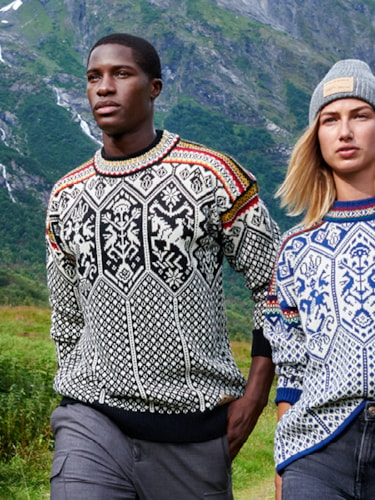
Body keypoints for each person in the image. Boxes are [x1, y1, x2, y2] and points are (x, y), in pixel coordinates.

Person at [46, 33, 280, 499]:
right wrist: (77, 388)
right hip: (91, 422)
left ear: (154, 87)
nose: (103, 88)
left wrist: (254, 398)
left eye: (121, 74)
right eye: (94, 77)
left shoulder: (214, 176)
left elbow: (275, 286)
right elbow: (66, 318)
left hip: (193, 434)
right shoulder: (65, 197)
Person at [264, 58, 375, 500]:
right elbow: (291, 368)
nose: (344, 132)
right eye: (330, 120)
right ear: (317, 138)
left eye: (360, 116)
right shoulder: (294, 247)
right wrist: (284, 463)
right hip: (318, 453)